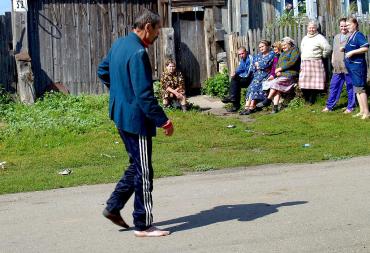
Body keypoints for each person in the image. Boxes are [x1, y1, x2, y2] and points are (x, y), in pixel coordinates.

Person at [97, 9, 174, 237]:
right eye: (158, 29)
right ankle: (143, 224)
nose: (158, 34)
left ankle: (113, 207)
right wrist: (164, 121)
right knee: (144, 171)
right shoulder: (138, 52)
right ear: (148, 27)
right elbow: (144, 96)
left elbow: (102, 71)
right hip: (135, 119)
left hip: (120, 115)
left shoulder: (119, 44)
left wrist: (119, 92)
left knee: (136, 165)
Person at [256, 37, 300, 113]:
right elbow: (277, 64)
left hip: (291, 74)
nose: (283, 47)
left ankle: (268, 100)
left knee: (275, 83)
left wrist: (280, 69)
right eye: (282, 45)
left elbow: (292, 62)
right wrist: (277, 71)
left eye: (285, 45)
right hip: (282, 75)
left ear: (289, 44)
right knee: (276, 87)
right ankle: (275, 108)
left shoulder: (294, 50)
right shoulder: (283, 53)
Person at [322, 18, 355, 113]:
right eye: (342, 26)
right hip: (337, 67)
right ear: (339, 26)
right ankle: (329, 106)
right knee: (333, 86)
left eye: (345, 26)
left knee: (350, 87)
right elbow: (334, 50)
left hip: (348, 67)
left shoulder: (351, 36)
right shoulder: (336, 37)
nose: (343, 28)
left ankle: (350, 107)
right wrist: (332, 60)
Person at [299, 20, 331, 104]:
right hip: (305, 62)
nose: (311, 29)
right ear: (307, 28)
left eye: (313, 27)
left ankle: (311, 100)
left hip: (315, 62)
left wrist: (323, 55)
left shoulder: (320, 37)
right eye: (310, 27)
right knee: (303, 82)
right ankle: (306, 99)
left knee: (314, 83)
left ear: (316, 28)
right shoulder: (305, 38)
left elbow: (328, 48)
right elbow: (302, 49)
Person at [343, 17, 369, 119]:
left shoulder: (358, 35)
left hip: (358, 66)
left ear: (355, 24)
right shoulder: (350, 36)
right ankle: (362, 111)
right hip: (352, 67)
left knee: (360, 89)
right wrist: (344, 49)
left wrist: (352, 52)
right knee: (356, 89)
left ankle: (367, 112)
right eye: (346, 25)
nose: (347, 27)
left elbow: (365, 48)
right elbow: (352, 47)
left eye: (349, 25)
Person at [240, 40, 274, 115]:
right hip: (257, 74)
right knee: (250, 88)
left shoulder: (271, 54)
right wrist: (258, 65)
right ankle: (246, 107)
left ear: (267, 46)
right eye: (260, 47)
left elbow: (265, 64)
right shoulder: (259, 55)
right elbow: (253, 65)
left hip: (266, 75)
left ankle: (252, 107)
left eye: (262, 46)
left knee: (255, 87)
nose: (261, 48)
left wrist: (259, 65)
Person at [222, 46, 253, 112]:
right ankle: (235, 104)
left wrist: (240, 76)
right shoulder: (242, 60)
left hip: (251, 79)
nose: (241, 55)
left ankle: (233, 99)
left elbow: (249, 72)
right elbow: (240, 69)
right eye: (239, 54)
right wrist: (235, 73)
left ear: (246, 52)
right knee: (235, 81)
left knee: (235, 80)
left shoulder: (250, 59)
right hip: (245, 78)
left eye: (242, 53)